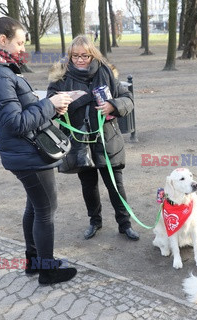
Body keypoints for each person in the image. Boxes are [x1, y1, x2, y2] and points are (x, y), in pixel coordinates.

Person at [0, 16, 77, 285]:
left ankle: (34, 262)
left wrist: (52, 108)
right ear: (3, 40)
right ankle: (47, 271)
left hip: (26, 150)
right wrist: (49, 103)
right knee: (46, 210)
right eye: (20, 42)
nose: (23, 49)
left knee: (35, 207)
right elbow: (15, 123)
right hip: (28, 153)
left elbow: (20, 112)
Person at [47, 35, 139, 241]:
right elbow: (49, 105)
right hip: (80, 143)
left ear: (92, 55)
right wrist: (57, 106)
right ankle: (94, 221)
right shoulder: (60, 78)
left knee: (116, 186)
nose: (80, 60)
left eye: (85, 56)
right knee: (88, 186)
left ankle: (125, 225)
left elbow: (128, 99)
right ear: (69, 56)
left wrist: (113, 105)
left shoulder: (106, 72)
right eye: (75, 56)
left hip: (108, 140)